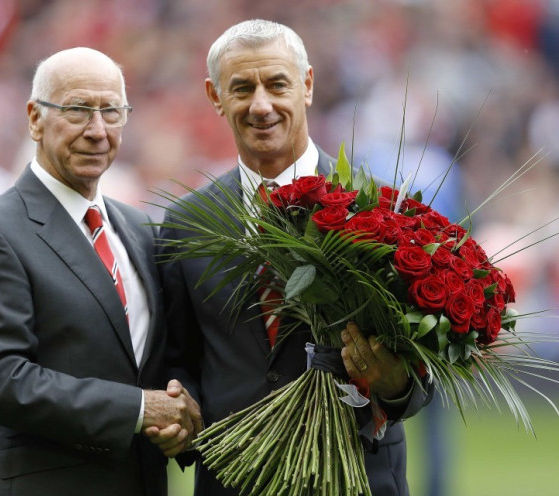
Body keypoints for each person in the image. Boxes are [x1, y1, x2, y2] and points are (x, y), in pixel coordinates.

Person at [160, 19, 433, 495]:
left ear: (306, 85)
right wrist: (181, 410)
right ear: (215, 96)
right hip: (232, 482)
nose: (261, 104)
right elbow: (178, 359)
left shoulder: (377, 209)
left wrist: (393, 383)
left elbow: (424, 373)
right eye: (242, 87)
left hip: (359, 481)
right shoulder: (186, 222)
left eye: (277, 84)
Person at [0, 47, 202, 496]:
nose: (97, 131)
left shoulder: (139, 229)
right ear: (35, 118)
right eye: (79, 110)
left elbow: (158, 358)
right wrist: (139, 410)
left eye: (112, 112)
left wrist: (182, 414)